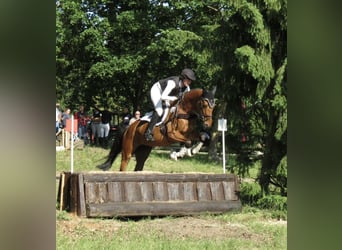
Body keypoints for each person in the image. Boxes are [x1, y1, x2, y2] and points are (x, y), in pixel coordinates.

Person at [144, 68, 196, 141]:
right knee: (159, 110)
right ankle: (148, 132)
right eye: (188, 80)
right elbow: (163, 96)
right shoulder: (173, 83)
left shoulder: (187, 88)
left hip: (169, 96)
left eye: (190, 81)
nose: (189, 82)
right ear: (183, 78)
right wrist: (173, 98)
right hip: (158, 91)